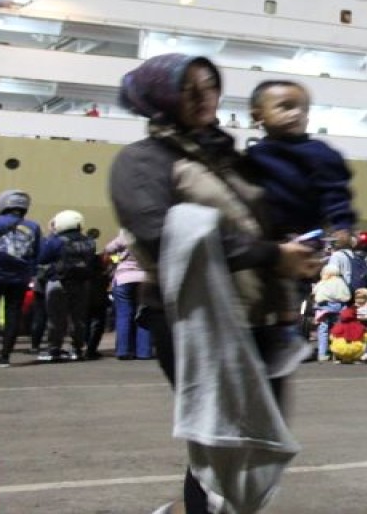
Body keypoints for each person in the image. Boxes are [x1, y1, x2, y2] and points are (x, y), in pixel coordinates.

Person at [109, 53, 322, 514]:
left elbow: (263, 222)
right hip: (193, 318)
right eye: (188, 88)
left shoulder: (227, 157)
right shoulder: (142, 160)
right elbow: (159, 233)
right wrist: (271, 254)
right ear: (160, 97)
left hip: (261, 317)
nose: (204, 96)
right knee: (224, 441)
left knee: (252, 444)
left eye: (210, 85)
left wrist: (298, 246)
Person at [247, 78, 358, 352]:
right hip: (261, 237)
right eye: (285, 107)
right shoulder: (253, 156)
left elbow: (336, 191)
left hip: (301, 233)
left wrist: (342, 225)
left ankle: (286, 334)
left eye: (303, 109)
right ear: (258, 115)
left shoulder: (320, 154)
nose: (296, 114)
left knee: (288, 287)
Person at [0, 189, 42, 368]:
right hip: (20, 278)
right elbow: (37, 253)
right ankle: (5, 357)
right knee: (13, 315)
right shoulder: (33, 227)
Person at [36, 209, 100, 362]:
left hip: (59, 282)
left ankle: (54, 349)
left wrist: (51, 234)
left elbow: (42, 257)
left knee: (56, 318)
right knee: (78, 319)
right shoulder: (90, 242)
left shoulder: (56, 241)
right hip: (82, 283)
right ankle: (77, 349)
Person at [106, 230, 154, 360]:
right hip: (145, 278)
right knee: (144, 314)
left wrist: (118, 259)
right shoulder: (151, 234)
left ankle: (124, 351)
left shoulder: (126, 233)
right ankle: (144, 352)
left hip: (123, 278)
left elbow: (108, 249)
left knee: (124, 315)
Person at [312, 265, 351, 362]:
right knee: (338, 331)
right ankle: (337, 352)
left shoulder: (322, 282)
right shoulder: (340, 282)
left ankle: (322, 354)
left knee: (323, 331)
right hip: (338, 309)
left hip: (323, 309)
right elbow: (346, 296)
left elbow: (314, 292)